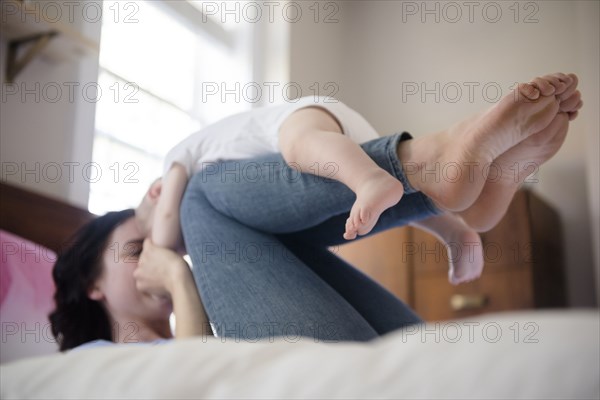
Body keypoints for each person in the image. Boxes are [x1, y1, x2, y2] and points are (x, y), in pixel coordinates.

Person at [49, 73, 582, 350]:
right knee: (204, 194)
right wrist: (181, 282)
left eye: (144, 246)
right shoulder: (94, 365)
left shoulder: (178, 180)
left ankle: (442, 187)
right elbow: (196, 376)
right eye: (140, 250)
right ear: (93, 288)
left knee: (204, 195)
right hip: (316, 136)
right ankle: (441, 184)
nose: (162, 251)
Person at [136, 97, 484, 286]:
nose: (187, 243)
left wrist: (158, 248)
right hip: (347, 143)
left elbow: (167, 220)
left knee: (300, 149)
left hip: (304, 117)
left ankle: (369, 179)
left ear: (157, 192)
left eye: (187, 239)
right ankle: (453, 228)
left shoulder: (174, 162)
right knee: (388, 208)